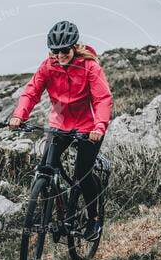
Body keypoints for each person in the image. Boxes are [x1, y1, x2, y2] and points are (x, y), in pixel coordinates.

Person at [9, 20, 113, 242]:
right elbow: (31, 92)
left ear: (74, 47)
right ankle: (52, 207)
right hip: (59, 124)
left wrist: (99, 126)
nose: (60, 55)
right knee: (45, 167)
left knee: (82, 174)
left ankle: (93, 219)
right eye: (55, 51)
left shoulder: (90, 67)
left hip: (88, 126)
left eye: (65, 50)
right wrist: (20, 115)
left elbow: (103, 98)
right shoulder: (48, 66)